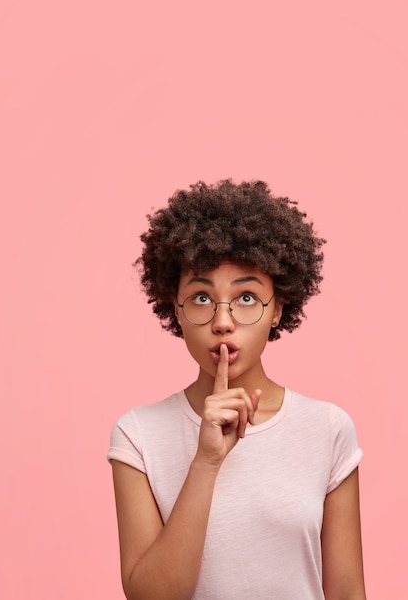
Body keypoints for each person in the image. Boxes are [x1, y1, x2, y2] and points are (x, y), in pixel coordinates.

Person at [108, 179, 366, 599]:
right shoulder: (137, 435)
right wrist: (206, 462)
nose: (222, 321)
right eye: (201, 298)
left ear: (277, 309)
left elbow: (347, 592)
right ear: (175, 308)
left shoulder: (327, 428)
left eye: (247, 298)